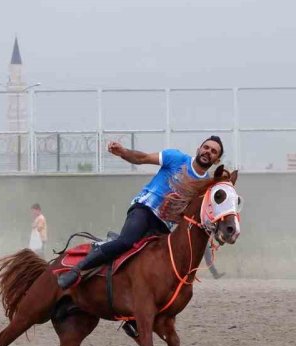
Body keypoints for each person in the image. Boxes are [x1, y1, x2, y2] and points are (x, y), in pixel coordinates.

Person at [55, 136, 223, 335]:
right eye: (206, 147)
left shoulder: (206, 185)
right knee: (126, 242)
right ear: (199, 148)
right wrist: (123, 152)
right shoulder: (176, 158)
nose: (208, 152)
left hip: (164, 225)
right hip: (144, 209)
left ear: (217, 160)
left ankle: (132, 317)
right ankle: (77, 270)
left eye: (213, 151)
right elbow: (142, 158)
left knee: (159, 271)